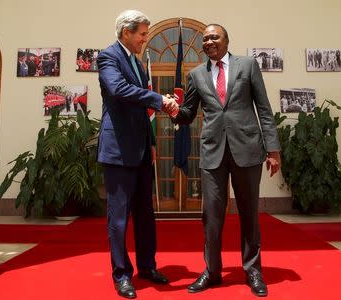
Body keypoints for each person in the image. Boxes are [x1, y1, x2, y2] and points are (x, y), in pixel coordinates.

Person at [170, 24, 281, 297]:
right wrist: (173, 109)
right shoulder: (196, 74)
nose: (209, 41)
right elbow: (188, 113)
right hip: (213, 152)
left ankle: (253, 271)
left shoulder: (248, 66)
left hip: (248, 149)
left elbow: (264, 109)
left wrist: (273, 149)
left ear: (226, 40)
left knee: (249, 214)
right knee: (211, 216)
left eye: (214, 37)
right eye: (206, 39)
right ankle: (213, 271)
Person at [97, 9, 176, 299]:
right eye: (142, 33)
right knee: (118, 218)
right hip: (118, 151)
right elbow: (118, 89)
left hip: (142, 151)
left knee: (145, 214)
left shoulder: (138, 64)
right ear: (126, 33)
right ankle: (121, 275)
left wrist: (152, 142)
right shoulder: (108, 57)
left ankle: (147, 266)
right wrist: (159, 99)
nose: (145, 38)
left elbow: (143, 113)